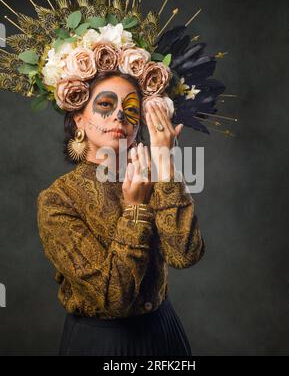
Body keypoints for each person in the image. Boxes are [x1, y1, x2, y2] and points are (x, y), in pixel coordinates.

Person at [37, 71, 205, 356]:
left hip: (165, 334)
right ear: (78, 117)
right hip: (104, 344)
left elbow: (185, 254)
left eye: (131, 109)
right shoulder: (58, 200)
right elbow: (114, 297)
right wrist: (136, 210)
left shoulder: (153, 175)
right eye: (105, 104)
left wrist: (165, 161)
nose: (119, 116)